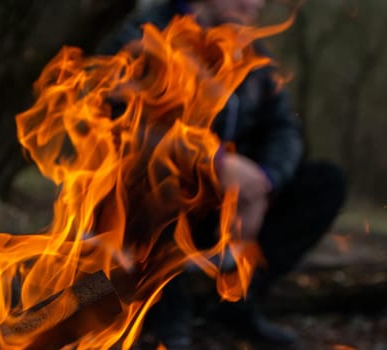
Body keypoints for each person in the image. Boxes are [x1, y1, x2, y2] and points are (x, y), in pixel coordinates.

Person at [97, 0, 346, 348]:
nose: (254, 4)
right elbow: (119, 123)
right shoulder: (145, 35)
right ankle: (168, 312)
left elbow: (285, 129)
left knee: (326, 183)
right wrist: (214, 163)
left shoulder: (254, 55)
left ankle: (236, 300)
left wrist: (264, 182)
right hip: (153, 206)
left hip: (230, 209)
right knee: (153, 173)